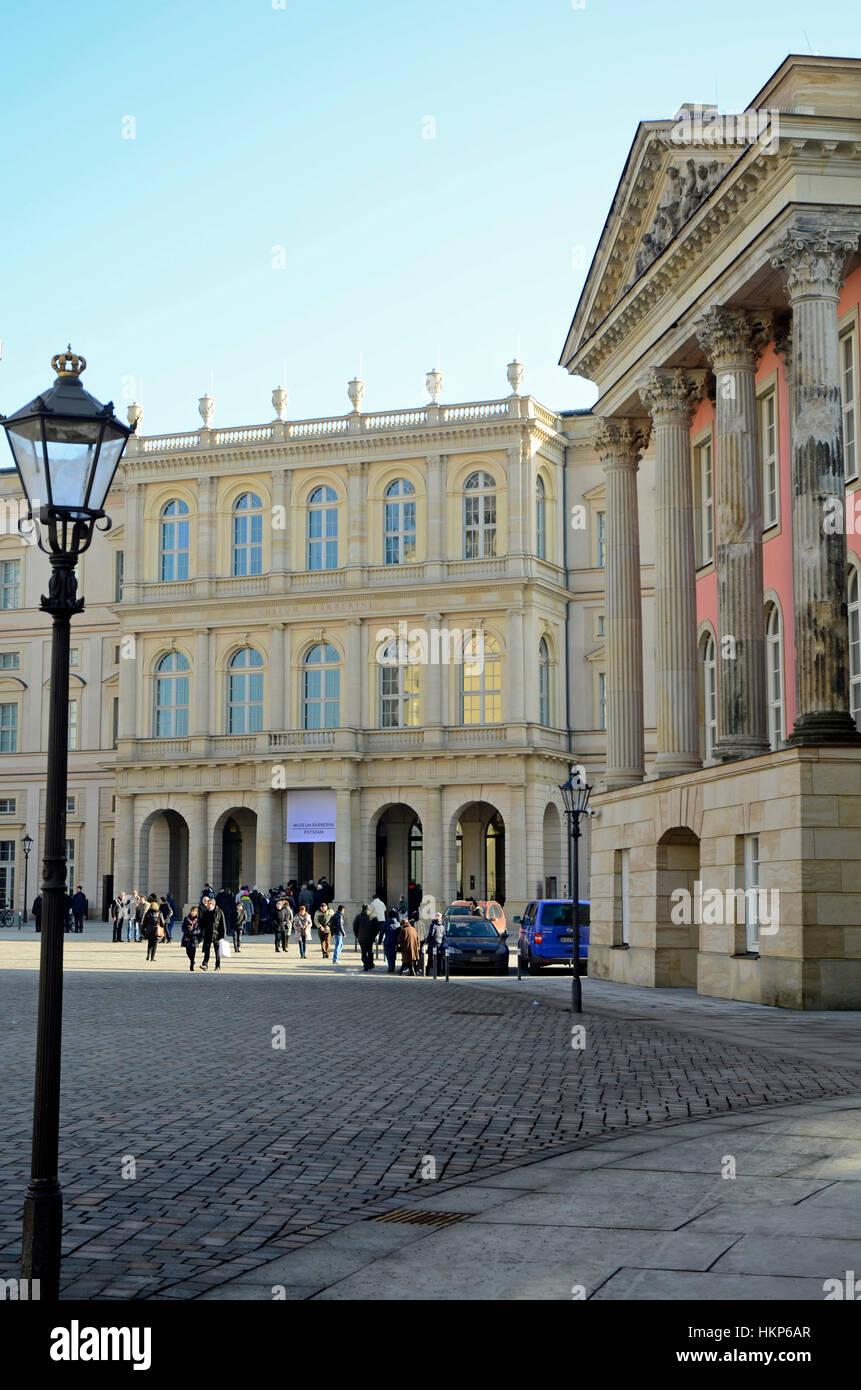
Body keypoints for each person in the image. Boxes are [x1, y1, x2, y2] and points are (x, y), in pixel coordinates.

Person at [141, 894, 164, 962]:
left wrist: (142, 931)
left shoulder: (147, 913)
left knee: (149, 943)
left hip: (149, 930)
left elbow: (144, 923)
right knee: (155, 944)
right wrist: (162, 927)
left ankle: (148, 954)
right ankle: (152, 957)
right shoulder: (159, 913)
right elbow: (163, 923)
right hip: (156, 930)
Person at [355, 905, 377, 972]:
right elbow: (377, 927)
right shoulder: (373, 916)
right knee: (370, 951)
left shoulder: (358, 917)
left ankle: (366, 965)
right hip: (370, 938)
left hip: (361, 938)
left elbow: (355, 928)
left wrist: (357, 935)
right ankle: (370, 964)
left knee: (363, 952)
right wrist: (374, 935)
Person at [181, 907, 200, 971]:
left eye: (194, 912)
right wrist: (187, 931)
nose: (192, 913)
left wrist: (193, 932)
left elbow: (199, 930)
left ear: (196, 912)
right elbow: (183, 927)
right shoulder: (186, 918)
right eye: (192, 911)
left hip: (194, 938)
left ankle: (191, 965)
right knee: (187, 952)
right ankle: (192, 960)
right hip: (187, 937)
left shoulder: (198, 919)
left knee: (193, 952)